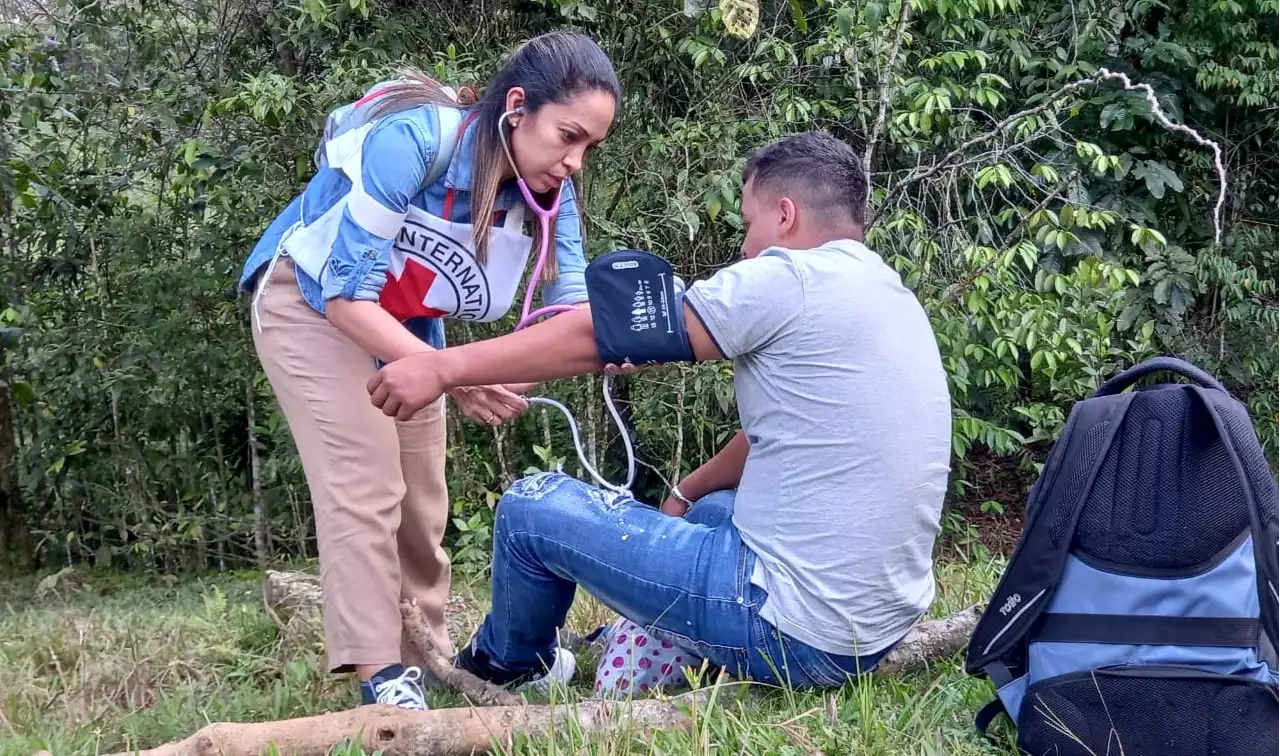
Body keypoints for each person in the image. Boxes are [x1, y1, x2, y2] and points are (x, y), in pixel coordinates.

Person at [366, 131, 954, 692]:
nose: (745, 247)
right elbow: (769, 437)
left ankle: (510, 664)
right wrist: (683, 493)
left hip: (792, 632)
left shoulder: (789, 278)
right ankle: (651, 629)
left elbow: (603, 333)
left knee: (531, 508)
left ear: (785, 214)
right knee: (714, 510)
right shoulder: (886, 293)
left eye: (749, 224)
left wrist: (445, 368)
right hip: (872, 629)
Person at [237, 31, 621, 709]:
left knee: (422, 500)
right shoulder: (415, 143)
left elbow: (573, 321)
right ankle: (380, 676)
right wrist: (459, 374)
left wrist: (493, 372)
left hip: (410, 325)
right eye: (568, 136)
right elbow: (347, 295)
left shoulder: (548, 198)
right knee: (367, 478)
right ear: (517, 107)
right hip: (311, 300)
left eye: (589, 146)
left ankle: (429, 659)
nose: (576, 162)